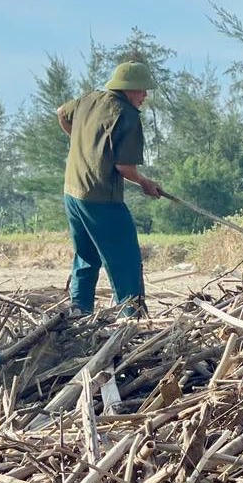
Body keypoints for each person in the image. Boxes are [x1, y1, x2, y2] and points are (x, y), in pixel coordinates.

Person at [57, 61, 163, 317]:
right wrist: (146, 183)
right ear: (128, 89)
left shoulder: (89, 99)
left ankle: (79, 311)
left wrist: (80, 141)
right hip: (101, 197)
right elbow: (124, 167)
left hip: (72, 192)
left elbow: (61, 112)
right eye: (141, 90)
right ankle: (132, 315)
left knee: (86, 255)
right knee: (124, 258)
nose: (145, 96)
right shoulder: (126, 115)